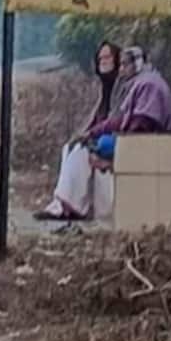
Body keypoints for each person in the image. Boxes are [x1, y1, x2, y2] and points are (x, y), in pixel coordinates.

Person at [34, 40, 123, 222]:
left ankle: (68, 208)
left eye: (108, 57)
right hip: (99, 138)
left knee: (80, 154)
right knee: (70, 148)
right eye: (101, 58)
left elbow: (117, 120)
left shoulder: (121, 87)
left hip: (113, 142)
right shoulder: (100, 86)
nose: (104, 61)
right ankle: (64, 204)